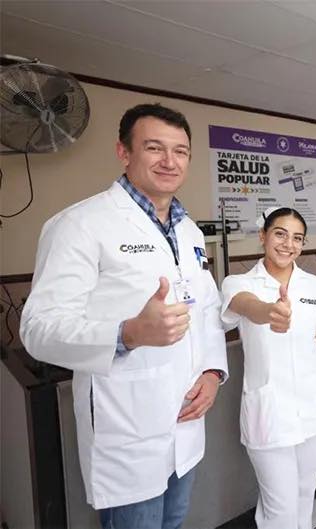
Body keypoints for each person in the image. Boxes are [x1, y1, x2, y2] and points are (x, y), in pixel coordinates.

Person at [20, 103, 228, 529]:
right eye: (154, 148)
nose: (169, 161)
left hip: (186, 421)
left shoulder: (189, 231)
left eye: (181, 151)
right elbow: (37, 330)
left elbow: (205, 310)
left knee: (174, 523)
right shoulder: (80, 224)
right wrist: (128, 333)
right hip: (127, 429)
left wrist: (212, 372)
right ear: (123, 152)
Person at [220, 207, 316, 529]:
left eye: (297, 238)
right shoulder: (238, 283)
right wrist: (270, 311)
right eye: (280, 234)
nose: (288, 244)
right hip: (270, 413)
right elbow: (247, 306)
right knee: (279, 508)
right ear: (263, 236)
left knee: (305, 495)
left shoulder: (314, 285)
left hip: (314, 406)